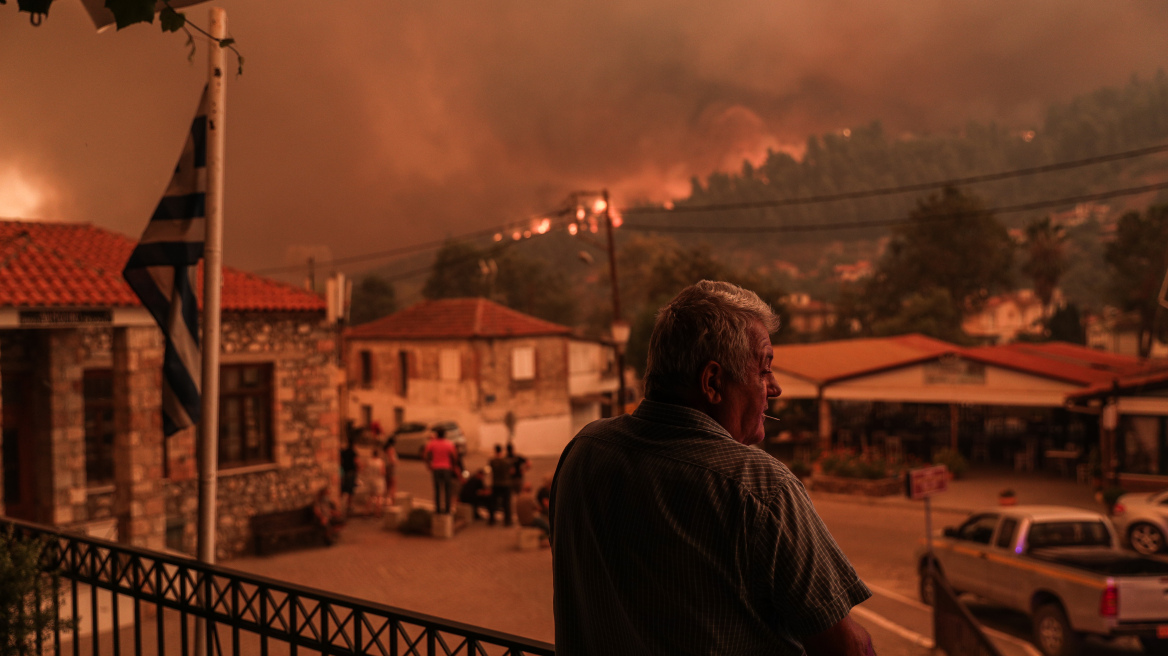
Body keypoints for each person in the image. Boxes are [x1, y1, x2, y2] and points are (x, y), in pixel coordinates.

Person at [550, 281, 874, 655]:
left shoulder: (584, 451)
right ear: (713, 382)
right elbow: (846, 649)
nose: (775, 388)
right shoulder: (761, 488)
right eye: (764, 369)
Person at [423, 425, 461, 514]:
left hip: (436, 468)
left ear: (437, 434)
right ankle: (447, 509)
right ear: (445, 434)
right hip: (447, 468)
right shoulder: (449, 444)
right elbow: (454, 456)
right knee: (447, 489)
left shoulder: (432, 443)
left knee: (437, 490)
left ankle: (438, 509)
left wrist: (428, 464)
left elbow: (425, 455)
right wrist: (453, 465)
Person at [488, 444, 515, 526]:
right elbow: (512, 471)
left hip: (496, 483)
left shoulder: (492, 461)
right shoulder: (507, 461)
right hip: (506, 483)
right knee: (506, 503)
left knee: (493, 502)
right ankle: (507, 521)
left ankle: (492, 520)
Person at [339, 434, 360, 518]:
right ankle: (348, 506)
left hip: (344, 472)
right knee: (350, 491)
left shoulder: (344, 452)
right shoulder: (353, 452)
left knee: (343, 489)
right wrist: (358, 469)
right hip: (351, 472)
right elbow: (356, 462)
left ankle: (340, 504)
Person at [364, 446, 387, 516]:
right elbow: (382, 472)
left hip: (370, 480)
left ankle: (366, 511)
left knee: (370, 496)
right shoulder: (380, 462)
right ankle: (377, 512)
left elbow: (365, 470)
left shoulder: (369, 461)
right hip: (378, 480)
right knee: (379, 497)